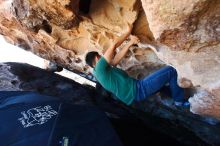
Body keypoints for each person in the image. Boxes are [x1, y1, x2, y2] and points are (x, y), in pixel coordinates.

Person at [85, 26, 189, 107]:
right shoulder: (99, 69)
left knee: (161, 85)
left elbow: (117, 58)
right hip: (139, 89)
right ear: (97, 59)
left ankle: (175, 95)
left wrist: (131, 42)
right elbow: (113, 46)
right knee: (172, 70)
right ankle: (178, 100)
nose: (103, 56)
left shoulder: (102, 73)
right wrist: (128, 31)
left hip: (136, 92)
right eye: (100, 56)